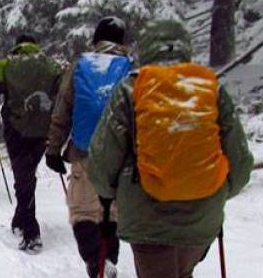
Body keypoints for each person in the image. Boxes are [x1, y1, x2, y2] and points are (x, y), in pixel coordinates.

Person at [86, 19, 253, 278]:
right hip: (202, 220)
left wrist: (112, 194)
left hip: (146, 221)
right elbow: (240, 165)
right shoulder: (209, 89)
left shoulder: (130, 90)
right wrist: (213, 192)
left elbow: (101, 163)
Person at [44, 17, 133, 277]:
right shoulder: (131, 69)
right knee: (111, 214)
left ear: (96, 40)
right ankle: (108, 264)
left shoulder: (80, 66)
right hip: (120, 156)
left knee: (83, 212)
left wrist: (53, 149)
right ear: (121, 41)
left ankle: (97, 263)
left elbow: (62, 110)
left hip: (84, 152)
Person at [0, 34, 64, 254]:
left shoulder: (6, 65)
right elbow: (65, 93)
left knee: (23, 175)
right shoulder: (51, 65)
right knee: (26, 174)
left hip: (16, 129)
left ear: (17, 47)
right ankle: (20, 218)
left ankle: (31, 233)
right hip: (42, 129)